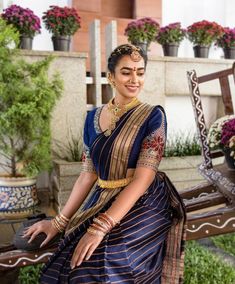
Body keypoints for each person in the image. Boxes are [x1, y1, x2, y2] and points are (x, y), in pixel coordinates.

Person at [24, 44, 186, 284]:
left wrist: (101, 227)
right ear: (111, 76)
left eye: (140, 72)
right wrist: (58, 222)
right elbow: (87, 175)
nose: (134, 79)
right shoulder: (92, 118)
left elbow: (144, 178)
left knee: (105, 258)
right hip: (102, 196)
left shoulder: (153, 116)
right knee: (70, 258)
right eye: (126, 72)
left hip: (144, 200)